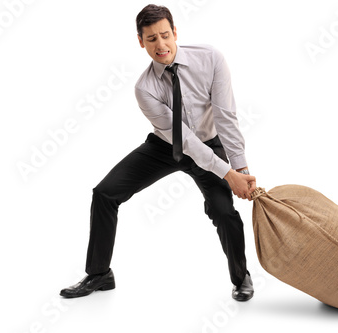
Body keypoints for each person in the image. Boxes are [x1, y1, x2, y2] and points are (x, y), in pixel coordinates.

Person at [60, 4, 256, 301]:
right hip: (166, 146)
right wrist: (227, 174)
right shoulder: (145, 88)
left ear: (175, 32)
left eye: (165, 35)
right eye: (151, 39)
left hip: (210, 142)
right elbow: (184, 141)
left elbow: (226, 116)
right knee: (105, 193)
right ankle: (99, 274)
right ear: (140, 41)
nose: (161, 45)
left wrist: (240, 171)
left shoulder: (211, 58)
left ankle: (241, 278)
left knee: (223, 211)